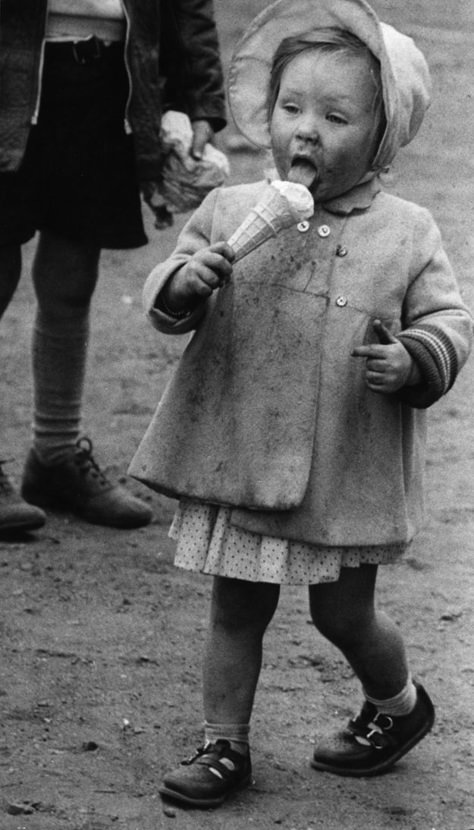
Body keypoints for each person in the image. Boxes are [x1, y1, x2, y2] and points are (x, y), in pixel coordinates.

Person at [129, 0, 472, 808]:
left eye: (335, 115)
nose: (304, 131)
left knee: (344, 618)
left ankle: (398, 706)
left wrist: (414, 358)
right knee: (235, 608)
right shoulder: (228, 209)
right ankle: (224, 745)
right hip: (241, 451)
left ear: (384, 135)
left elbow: (449, 320)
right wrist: (183, 282)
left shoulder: (408, 231)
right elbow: (167, 296)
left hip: (343, 467)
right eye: (290, 108)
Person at [0, 0, 226, 532]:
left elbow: (187, 7)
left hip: (110, 80)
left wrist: (197, 101)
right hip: (9, 73)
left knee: (73, 277)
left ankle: (55, 454)